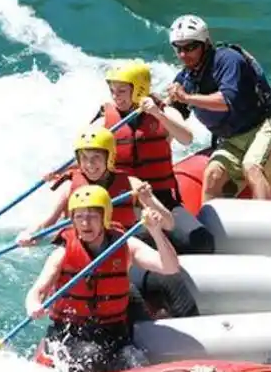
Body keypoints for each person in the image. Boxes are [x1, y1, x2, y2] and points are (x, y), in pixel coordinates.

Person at [18, 126, 200, 318]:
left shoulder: (131, 185)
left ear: (109, 157)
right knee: (128, 296)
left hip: (124, 253)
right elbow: (47, 222)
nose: (90, 165)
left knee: (172, 281)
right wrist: (29, 234)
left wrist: (150, 201)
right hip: (87, 258)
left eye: (96, 157)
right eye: (85, 159)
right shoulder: (70, 186)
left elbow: (169, 223)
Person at [25, 185, 181, 372]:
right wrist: (34, 305)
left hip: (113, 335)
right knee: (92, 356)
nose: (85, 223)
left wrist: (156, 232)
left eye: (92, 216)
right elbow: (37, 291)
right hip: (70, 336)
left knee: (135, 362)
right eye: (79, 216)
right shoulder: (62, 254)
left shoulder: (126, 246)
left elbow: (171, 267)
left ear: (105, 218)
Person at [89, 59, 215, 255]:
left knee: (201, 243)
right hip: (122, 198)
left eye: (121, 91)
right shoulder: (104, 121)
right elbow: (87, 155)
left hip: (161, 197)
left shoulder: (165, 112)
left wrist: (158, 114)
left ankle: (158, 244)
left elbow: (186, 138)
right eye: (112, 91)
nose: (116, 97)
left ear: (139, 89)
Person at [163, 14, 271, 204]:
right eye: (178, 48)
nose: (183, 54)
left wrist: (188, 98)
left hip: (263, 127)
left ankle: (266, 228)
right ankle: (211, 232)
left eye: (190, 47)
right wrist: (158, 109)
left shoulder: (228, 60)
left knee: (252, 167)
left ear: (205, 44)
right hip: (231, 139)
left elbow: (227, 100)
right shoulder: (185, 79)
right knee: (212, 175)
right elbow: (176, 115)